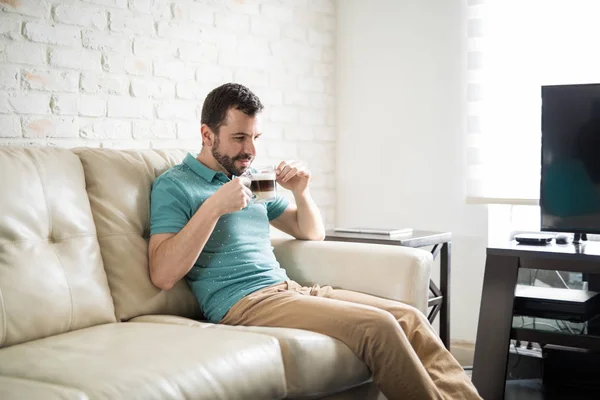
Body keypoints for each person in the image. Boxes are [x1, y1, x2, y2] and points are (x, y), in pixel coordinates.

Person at [148, 83, 482, 400]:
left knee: (410, 317)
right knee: (378, 327)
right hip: (242, 303)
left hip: (288, 289)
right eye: (238, 138)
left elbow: (310, 232)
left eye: (255, 137)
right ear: (207, 134)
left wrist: (301, 191)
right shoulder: (175, 185)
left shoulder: (248, 179)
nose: (250, 150)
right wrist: (215, 207)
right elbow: (163, 274)